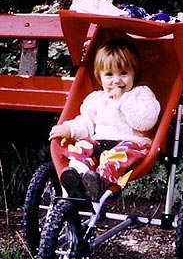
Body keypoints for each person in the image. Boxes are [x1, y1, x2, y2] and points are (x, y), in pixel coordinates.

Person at [49, 39, 160, 200]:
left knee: (116, 157)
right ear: (99, 77)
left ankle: (98, 183)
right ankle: (75, 179)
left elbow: (146, 122)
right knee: (83, 148)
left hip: (129, 144)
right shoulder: (96, 99)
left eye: (123, 73)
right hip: (100, 142)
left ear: (134, 73)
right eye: (109, 74)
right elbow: (86, 122)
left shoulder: (140, 94)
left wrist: (124, 100)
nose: (116, 80)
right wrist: (69, 129)